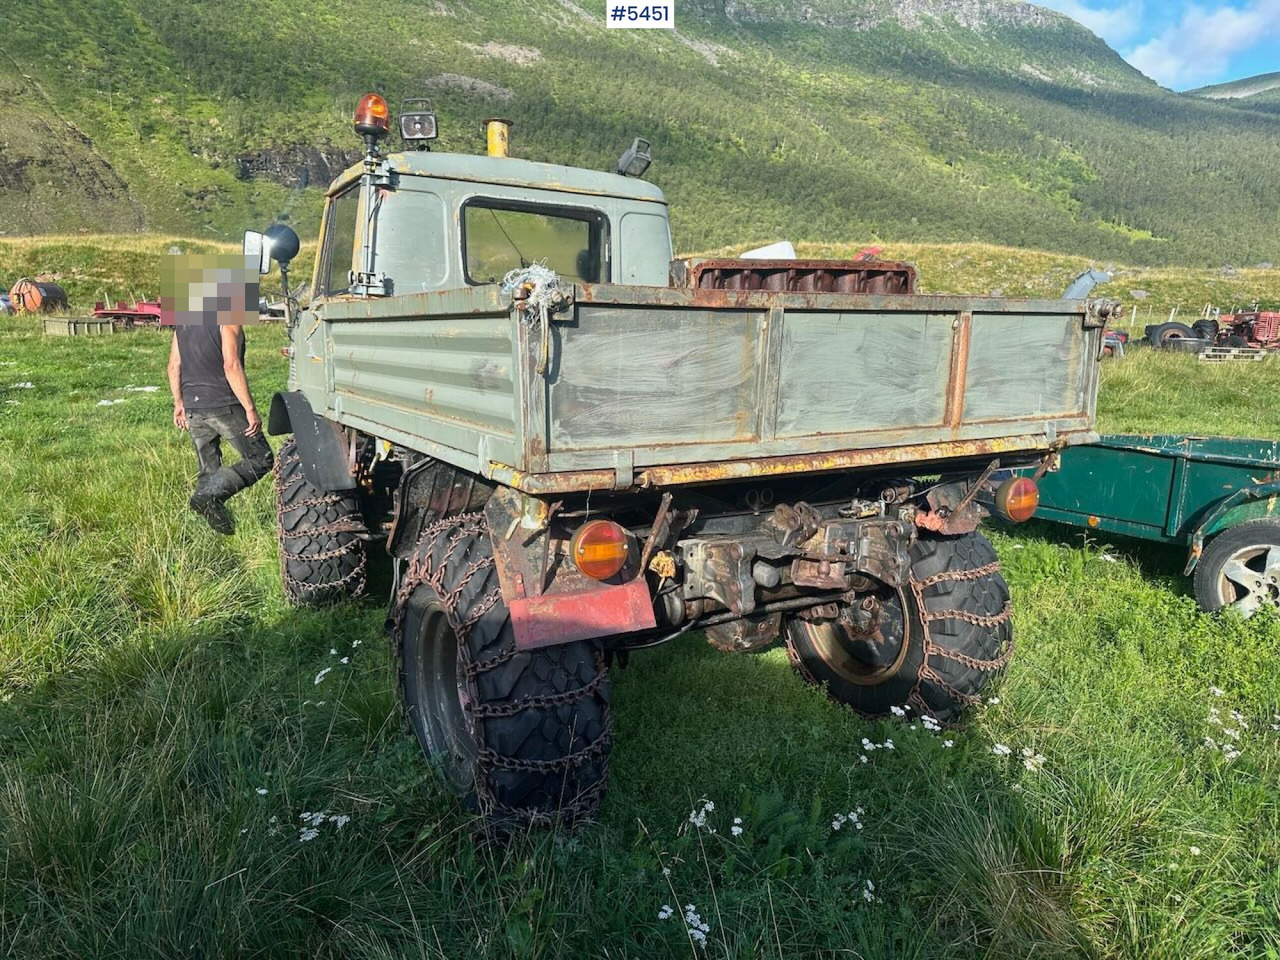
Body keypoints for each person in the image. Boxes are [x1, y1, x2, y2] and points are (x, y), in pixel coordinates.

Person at [167, 319, 274, 534]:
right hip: (224, 403)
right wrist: (250, 408)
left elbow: (174, 364)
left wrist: (179, 403)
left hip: (193, 406)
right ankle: (207, 498)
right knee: (261, 458)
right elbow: (231, 364)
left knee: (209, 471)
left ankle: (211, 531)